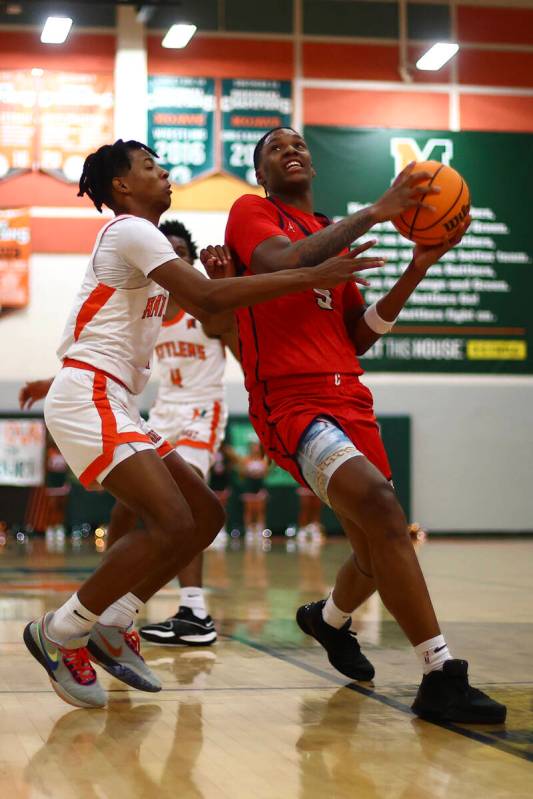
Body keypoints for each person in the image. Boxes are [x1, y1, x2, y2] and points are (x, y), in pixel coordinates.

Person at [21, 137, 385, 709]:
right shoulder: (132, 229)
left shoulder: (142, 250)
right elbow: (205, 295)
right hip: (92, 392)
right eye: (151, 168)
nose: (165, 176)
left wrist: (229, 282)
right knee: (168, 519)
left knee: (205, 515)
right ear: (122, 185)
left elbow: (210, 310)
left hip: (113, 395)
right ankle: (62, 629)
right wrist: (306, 274)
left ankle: (114, 621)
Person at [200, 126, 505, 723]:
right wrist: (379, 211)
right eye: (275, 149)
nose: (291, 151)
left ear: (313, 166)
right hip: (291, 402)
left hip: (349, 397)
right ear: (261, 173)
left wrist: (417, 266)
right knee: (385, 512)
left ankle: (328, 620)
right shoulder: (251, 212)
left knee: (377, 545)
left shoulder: (326, 232)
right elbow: (282, 262)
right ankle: (441, 673)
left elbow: (358, 335)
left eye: (298, 145)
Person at [20, 218, 235, 647]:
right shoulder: (148, 308)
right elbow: (104, 351)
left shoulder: (202, 310)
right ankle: (110, 595)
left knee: (186, 509)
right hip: (158, 411)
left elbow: (226, 325)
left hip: (200, 413)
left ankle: (193, 608)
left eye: (177, 256)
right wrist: (52, 382)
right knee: (126, 509)